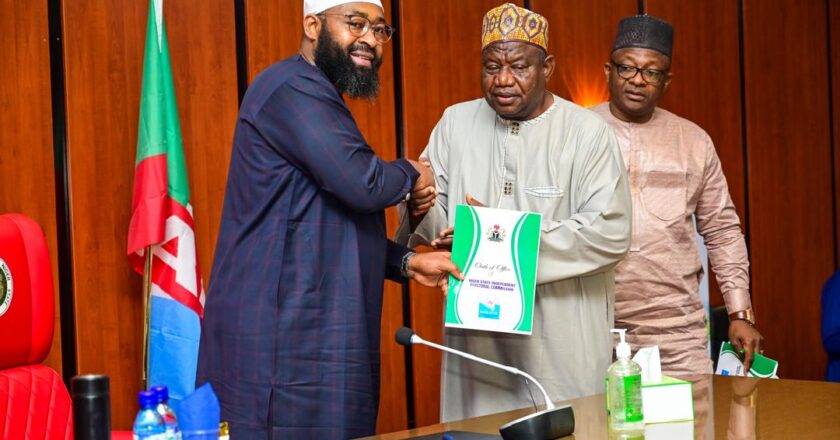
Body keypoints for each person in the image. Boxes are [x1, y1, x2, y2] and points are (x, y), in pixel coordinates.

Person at [196, 1, 462, 438]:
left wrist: (407, 263)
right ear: (312, 24)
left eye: (379, 30)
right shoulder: (290, 89)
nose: (370, 40)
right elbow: (363, 182)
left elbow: (328, 222)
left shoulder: (319, 95)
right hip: (280, 343)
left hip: (315, 336)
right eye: (355, 24)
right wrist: (415, 171)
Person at [395, 3, 632, 421]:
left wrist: (501, 234)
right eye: (491, 66)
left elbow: (609, 232)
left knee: (568, 425)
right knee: (480, 429)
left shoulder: (587, 133)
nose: (502, 80)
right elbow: (435, 222)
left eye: (519, 66)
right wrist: (419, 206)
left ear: (548, 67)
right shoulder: (455, 122)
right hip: (479, 339)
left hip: (560, 338)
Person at [591, 15, 764, 377]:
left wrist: (739, 313)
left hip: (676, 330)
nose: (637, 79)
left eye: (651, 72)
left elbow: (723, 231)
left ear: (666, 80)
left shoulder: (694, 141)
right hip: (591, 325)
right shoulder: (575, 132)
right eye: (626, 68)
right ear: (608, 70)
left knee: (685, 428)